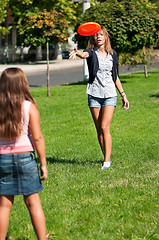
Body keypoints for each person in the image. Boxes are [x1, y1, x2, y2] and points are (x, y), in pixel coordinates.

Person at [69, 25, 129, 170]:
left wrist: (123, 95)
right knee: (98, 129)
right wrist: (77, 53)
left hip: (109, 94)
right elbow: (84, 55)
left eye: (101, 34)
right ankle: (106, 157)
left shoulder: (113, 54)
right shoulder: (91, 52)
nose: (99, 37)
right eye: (96, 35)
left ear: (105, 37)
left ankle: (106, 162)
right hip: (94, 94)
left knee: (104, 127)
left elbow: (115, 76)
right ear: (93, 38)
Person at [0, 68, 48, 240]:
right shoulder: (29, 107)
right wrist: (43, 163)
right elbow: (38, 138)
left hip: (2, 160)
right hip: (26, 159)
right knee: (33, 202)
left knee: (4, 206)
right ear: (23, 84)